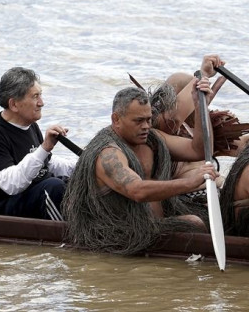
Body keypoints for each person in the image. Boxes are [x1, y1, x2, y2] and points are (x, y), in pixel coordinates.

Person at [63, 87, 219, 255]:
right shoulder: (108, 154)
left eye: (148, 119)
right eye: (138, 121)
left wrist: (200, 106)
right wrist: (189, 183)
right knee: (194, 223)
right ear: (116, 119)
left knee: (208, 213)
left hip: (156, 223)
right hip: (122, 232)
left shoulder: (152, 139)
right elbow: (136, 190)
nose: (146, 126)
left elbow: (199, 150)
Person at [0, 67, 75, 220]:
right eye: (35, 96)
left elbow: (47, 162)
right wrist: (45, 147)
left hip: (33, 194)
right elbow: (11, 185)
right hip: (4, 208)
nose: (41, 103)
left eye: (40, 95)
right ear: (14, 104)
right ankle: (69, 235)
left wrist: (85, 163)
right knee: (53, 187)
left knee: (73, 180)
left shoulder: (31, 125)